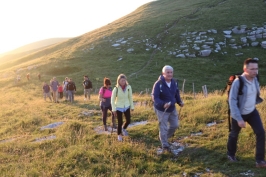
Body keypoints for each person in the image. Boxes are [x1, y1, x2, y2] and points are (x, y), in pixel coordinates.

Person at [227, 58, 266, 168]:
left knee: (261, 133)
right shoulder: (238, 82)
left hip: (252, 111)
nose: (255, 71)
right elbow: (232, 101)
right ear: (245, 69)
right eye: (252, 69)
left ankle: (260, 161)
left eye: (256, 69)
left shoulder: (255, 79)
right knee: (234, 134)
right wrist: (239, 118)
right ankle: (230, 155)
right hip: (239, 113)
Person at [151, 65, 184, 153]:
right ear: (163, 73)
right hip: (162, 109)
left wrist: (179, 102)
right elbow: (155, 97)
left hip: (172, 107)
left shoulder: (174, 82)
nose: (169, 74)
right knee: (163, 127)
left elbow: (176, 93)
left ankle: (164, 138)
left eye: (171, 72)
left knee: (175, 125)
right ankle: (165, 145)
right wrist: (163, 104)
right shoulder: (158, 84)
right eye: (167, 72)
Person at [111, 74, 134, 141]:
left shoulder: (129, 87)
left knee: (128, 120)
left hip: (126, 106)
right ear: (118, 81)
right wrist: (114, 109)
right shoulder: (116, 89)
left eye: (124, 80)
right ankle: (119, 135)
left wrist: (132, 106)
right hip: (119, 107)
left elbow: (130, 97)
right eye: (122, 81)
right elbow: (112, 99)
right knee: (120, 122)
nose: (123, 82)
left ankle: (123, 129)